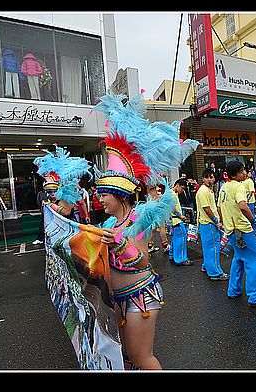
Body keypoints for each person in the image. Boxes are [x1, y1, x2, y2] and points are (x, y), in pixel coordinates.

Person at [92, 92, 199, 370]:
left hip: (140, 296)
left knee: (142, 357)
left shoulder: (140, 216)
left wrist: (117, 245)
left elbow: (142, 260)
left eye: (104, 195)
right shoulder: (110, 224)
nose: (100, 200)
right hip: (117, 300)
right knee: (126, 359)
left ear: (119, 194)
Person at [218, 160, 256, 307]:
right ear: (235, 174)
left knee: (240, 257)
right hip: (243, 229)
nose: (245, 173)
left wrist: (223, 223)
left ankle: (234, 291)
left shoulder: (224, 187)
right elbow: (243, 206)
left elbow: (219, 207)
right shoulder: (239, 186)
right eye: (242, 171)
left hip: (231, 230)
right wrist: (254, 221)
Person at [196, 168, 229, 280]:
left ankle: (207, 266)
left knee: (208, 248)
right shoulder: (203, 191)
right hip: (209, 224)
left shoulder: (207, 190)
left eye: (211, 177)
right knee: (213, 248)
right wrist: (216, 221)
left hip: (207, 224)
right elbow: (206, 208)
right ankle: (215, 273)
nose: (209, 180)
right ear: (203, 179)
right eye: (207, 177)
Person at [169, 179, 192, 266]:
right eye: (182, 188)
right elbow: (172, 207)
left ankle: (172, 255)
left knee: (175, 239)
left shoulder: (172, 193)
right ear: (177, 185)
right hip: (177, 220)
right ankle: (181, 259)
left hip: (174, 220)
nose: (182, 191)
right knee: (181, 239)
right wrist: (180, 216)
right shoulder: (172, 194)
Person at [146, 184, 170, 254]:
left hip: (150, 211)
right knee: (162, 227)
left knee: (152, 229)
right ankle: (165, 245)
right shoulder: (155, 192)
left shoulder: (148, 192)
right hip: (158, 212)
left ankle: (150, 246)